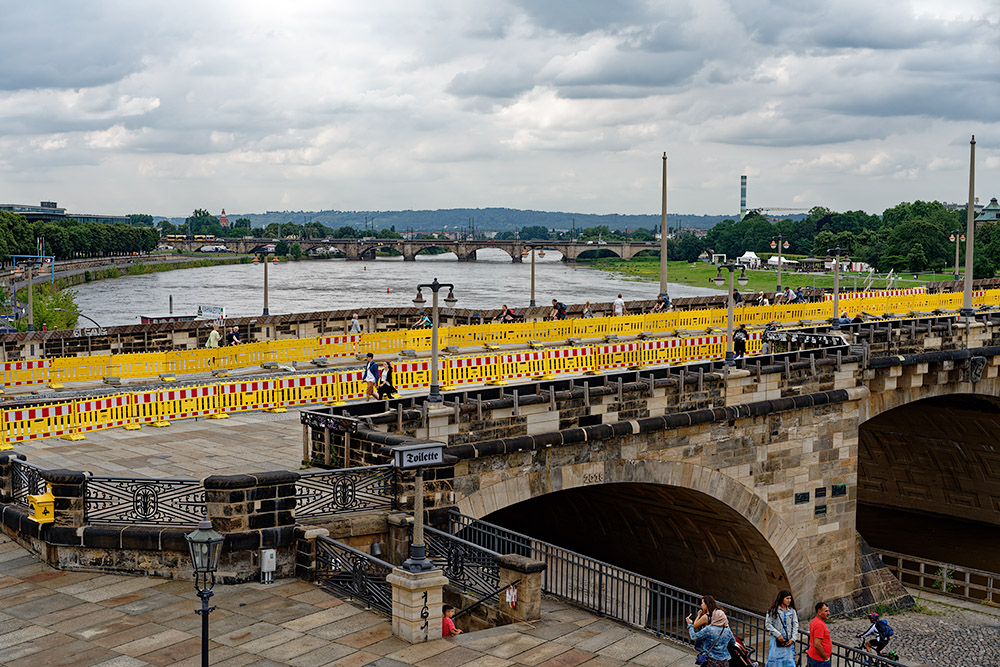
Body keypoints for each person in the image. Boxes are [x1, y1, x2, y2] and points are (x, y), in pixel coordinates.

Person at [686, 597, 734, 667]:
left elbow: (693, 636)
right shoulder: (728, 630)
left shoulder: (709, 629)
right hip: (724, 661)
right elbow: (732, 642)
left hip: (711, 660)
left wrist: (690, 625)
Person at [764, 589, 799, 667]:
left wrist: (793, 639)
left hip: (788, 640)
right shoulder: (773, 610)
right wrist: (778, 635)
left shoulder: (792, 611)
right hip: (777, 639)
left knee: (788, 661)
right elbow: (768, 624)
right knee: (775, 661)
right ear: (782, 598)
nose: (789, 600)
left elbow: (795, 624)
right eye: (787, 598)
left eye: (790, 598)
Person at [807, 602, 832, 667]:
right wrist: (825, 658)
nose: (828, 613)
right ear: (819, 612)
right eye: (826, 611)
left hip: (815, 657)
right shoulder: (819, 625)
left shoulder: (815, 621)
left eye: (828, 611)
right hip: (819, 660)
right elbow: (817, 644)